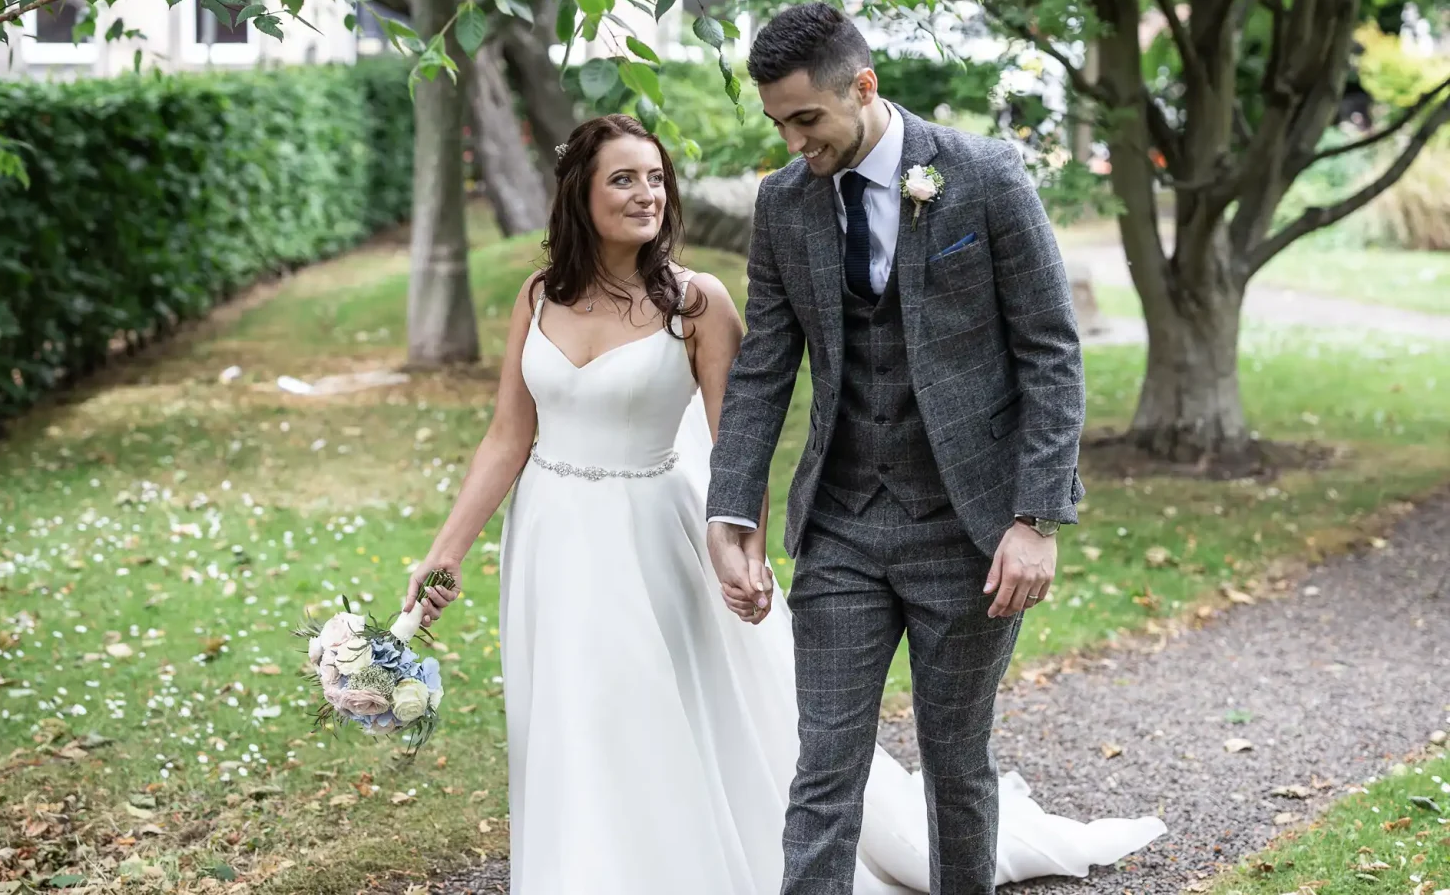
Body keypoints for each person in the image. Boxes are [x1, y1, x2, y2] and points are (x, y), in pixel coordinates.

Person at [402, 107, 1163, 894]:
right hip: (552, 541)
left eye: (656, 178)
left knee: (661, 712)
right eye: (623, 179)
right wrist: (446, 551)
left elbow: (746, 431)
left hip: (653, 538)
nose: (646, 195)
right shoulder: (537, 296)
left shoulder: (696, 304)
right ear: (578, 196)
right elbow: (506, 435)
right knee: (567, 717)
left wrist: (748, 544)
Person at [706, 2, 1094, 895]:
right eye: (778, 124)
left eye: (808, 119)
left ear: (864, 87)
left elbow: (1050, 351)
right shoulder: (784, 203)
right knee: (825, 765)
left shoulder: (986, 176)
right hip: (842, 526)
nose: (796, 141)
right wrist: (733, 506)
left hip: (971, 530)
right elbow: (764, 366)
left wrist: (1036, 517)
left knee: (958, 763)